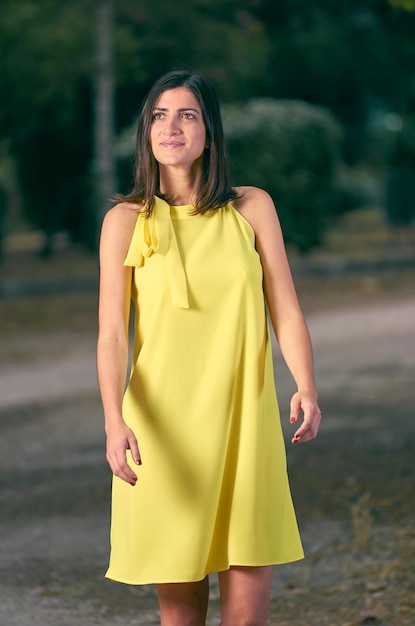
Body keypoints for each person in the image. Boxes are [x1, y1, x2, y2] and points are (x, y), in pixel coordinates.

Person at [97, 69, 321, 626]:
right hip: (161, 431)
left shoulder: (251, 207)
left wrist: (307, 385)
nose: (171, 127)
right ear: (146, 131)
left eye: (187, 115)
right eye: (159, 115)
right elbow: (111, 334)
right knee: (180, 615)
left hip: (244, 422)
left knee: (247, 616)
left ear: (210, 132)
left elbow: (286, 308)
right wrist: (112, 422)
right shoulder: (125, 220)